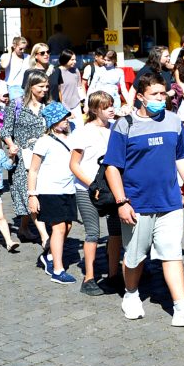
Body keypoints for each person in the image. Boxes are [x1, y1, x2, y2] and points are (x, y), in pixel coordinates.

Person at [103, 72, 184, 327]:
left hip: (169, 201)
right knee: (135, 256)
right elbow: (112, 167)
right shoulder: (124, 125)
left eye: (163, 93)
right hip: (137, 203)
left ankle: (181, 307)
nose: (161, 98)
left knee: (172, 254)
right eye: (155, 94)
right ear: (140, 97)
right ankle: (131, 293)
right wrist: (121, 201)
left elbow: (181, 156)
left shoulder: (173, 121)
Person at [69, 91, 121, 296]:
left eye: (112, 105)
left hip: (112, 189)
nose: (111, 109)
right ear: (94, 109)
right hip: (87, 189)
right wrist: (93, 185)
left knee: (116, 232)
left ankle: (113, 274)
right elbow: (74, 164)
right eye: (106, 106)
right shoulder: (83, 132)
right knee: (93, 232)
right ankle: (89, 277)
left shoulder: (115, 129)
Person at [29, 102, 77, 284]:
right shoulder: (44, 141)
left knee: (68, 227)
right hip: (50, 190)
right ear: (53, 121)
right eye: (62, 118)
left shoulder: (71, 138)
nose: (66, 120)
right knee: (59, 228)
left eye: (66, 117)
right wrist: (32, 194)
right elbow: (33, 170)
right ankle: (58, 269)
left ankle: (49, 255)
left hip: (68, 189)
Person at [2, 71, 50, 244]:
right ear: (31, 86)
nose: (45, 89)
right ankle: (45, 236)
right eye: (41, 86)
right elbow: (6, 131)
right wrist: (11, 145)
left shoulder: (49, 106)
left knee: (40, 193)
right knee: (28, 193)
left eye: (46, 86)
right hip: (23, 156)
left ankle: (23, 227)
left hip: (45, 156)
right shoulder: (16, 106)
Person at [57, 50, 83, 121]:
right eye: (72, 60)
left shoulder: (76, 70)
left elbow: (79, 87)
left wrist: (83, 102)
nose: (75, 62)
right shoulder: (57, 72)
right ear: (65, 59)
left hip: (76, 105)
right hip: (63, 106)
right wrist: (64, 107)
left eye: (75, 59)